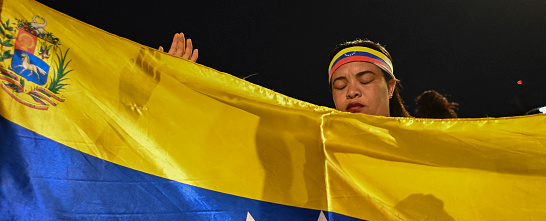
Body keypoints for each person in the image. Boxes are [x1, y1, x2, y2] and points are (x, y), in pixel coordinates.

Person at [159, 35, 409, 117]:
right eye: (339, 85)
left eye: (364, 80)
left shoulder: (428, 148)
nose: (352, 91)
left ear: (390, 87)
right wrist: (178, 90)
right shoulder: (317, 143)